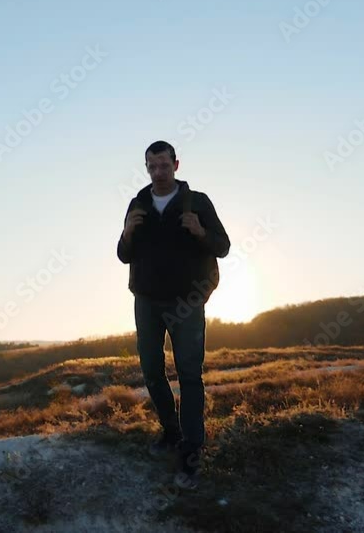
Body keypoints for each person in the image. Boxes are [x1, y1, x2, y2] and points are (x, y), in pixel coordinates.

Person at [116, 140, 231, 490]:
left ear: (176, 165)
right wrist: (127, 233)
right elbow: (123, 254)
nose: (158, 172)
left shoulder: (198, 202)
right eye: (152, 167)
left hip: (187, 302)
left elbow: (223, 246)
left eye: (164, 165)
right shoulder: (138, 203)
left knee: (189, 375)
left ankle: (191, 451)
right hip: (147, 301)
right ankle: (171, 431)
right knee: (151, 370)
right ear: (146, 168)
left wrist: (200, 231)